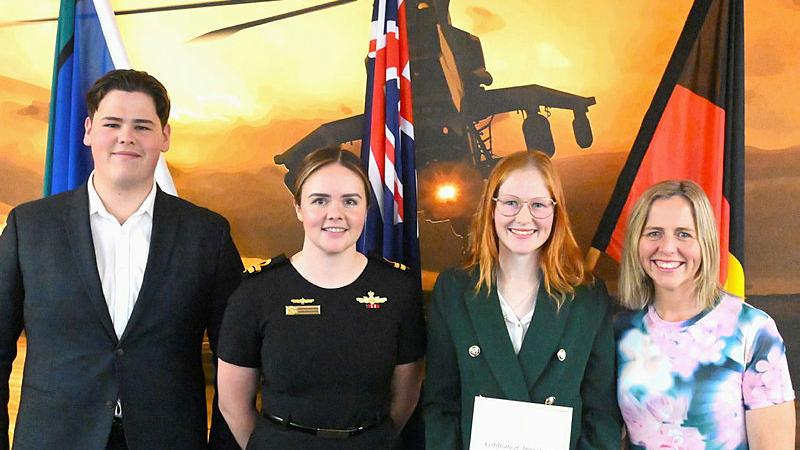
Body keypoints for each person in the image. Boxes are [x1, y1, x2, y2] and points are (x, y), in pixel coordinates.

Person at [0, 69, 243, 450]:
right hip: (54, 439)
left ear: (165, 137)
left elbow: (236, 360)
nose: (126, 136)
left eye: (142, 126)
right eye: (112, 123)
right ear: (88, 130)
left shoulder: (207, 234)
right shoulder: (29, 227)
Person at [216, 146, 425, 450]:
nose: (335, 214)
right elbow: (233, 406)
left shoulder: (398, 290)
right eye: (320, 200)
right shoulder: (257, 292)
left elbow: (405, 398)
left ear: (366, 208)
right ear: (299, 207)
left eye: (350, 201)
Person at [423, 151, 622, 450]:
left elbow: (601, 412)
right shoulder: (453, 290)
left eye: (539, 205)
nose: (524, 218)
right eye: (511, 203)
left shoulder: (586, 297)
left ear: (556, 213)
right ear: (492, 208)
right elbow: (440, 404)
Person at [615, 179, 795, 449]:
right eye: (654, 233)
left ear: (706, 243)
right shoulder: (620, 331)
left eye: (684, 234)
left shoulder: (753, 331)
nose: (666, 247)